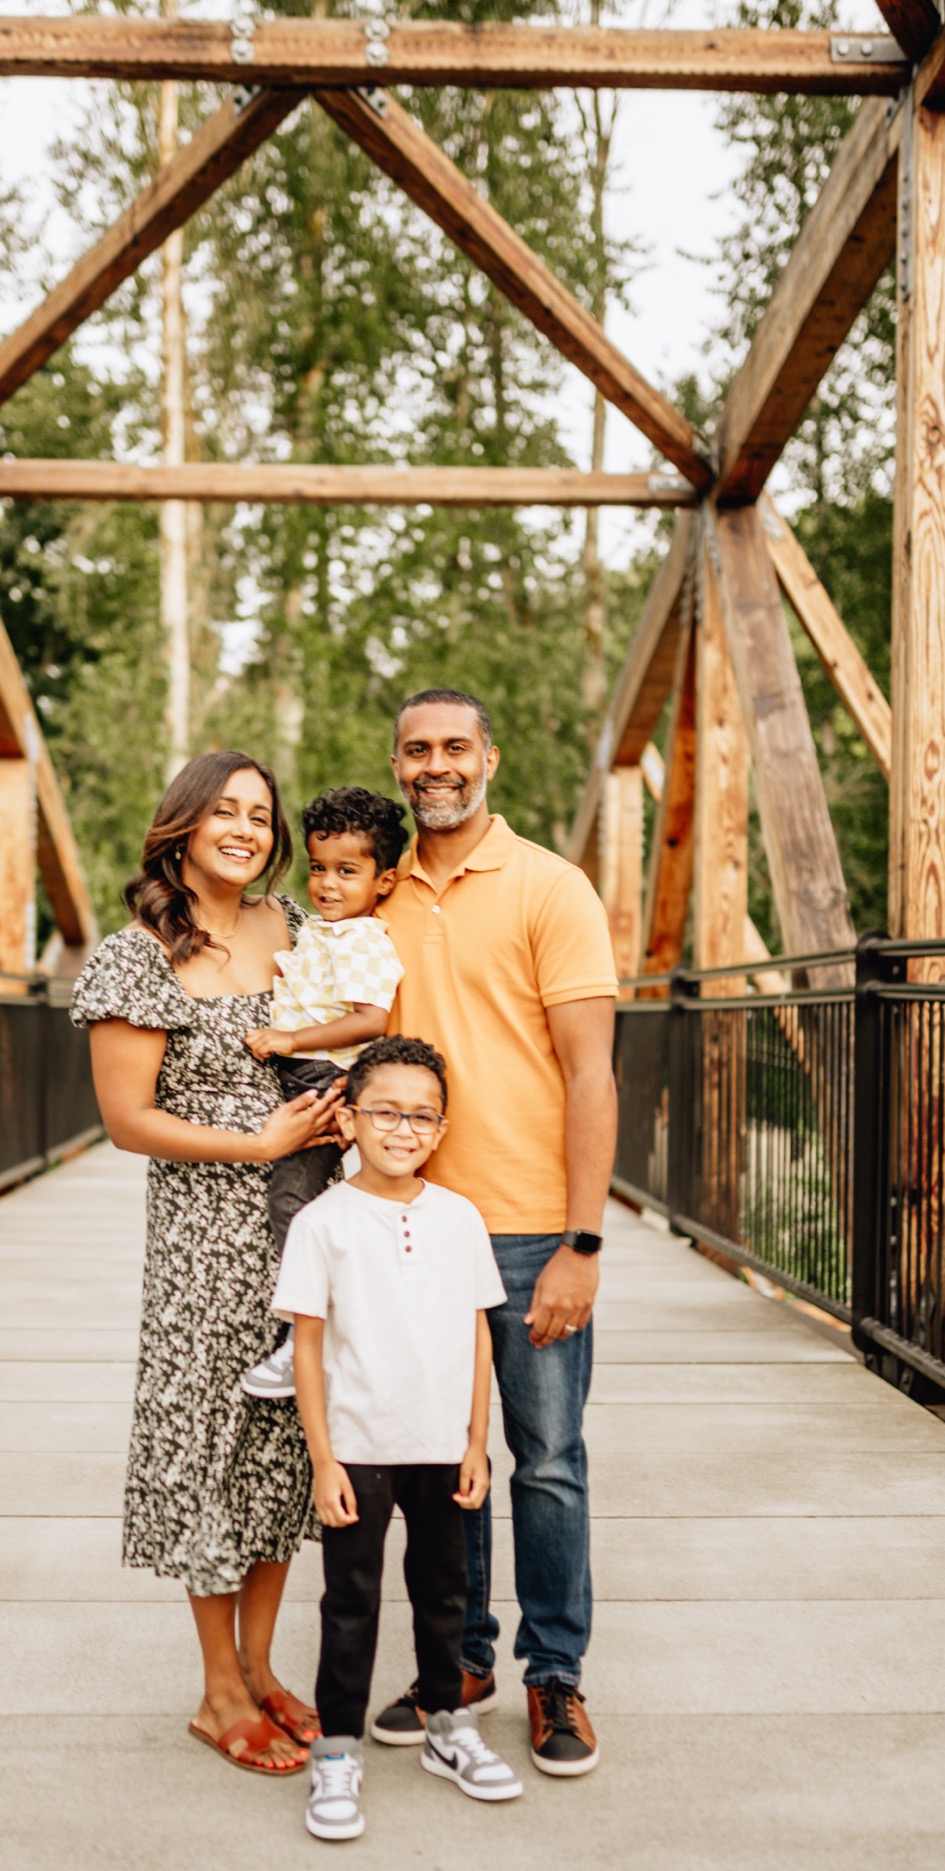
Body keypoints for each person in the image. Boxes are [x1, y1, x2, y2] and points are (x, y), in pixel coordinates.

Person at [70, 750, 343, 1776]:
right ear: (181, 826)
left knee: (282, 1444)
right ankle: (216, 1688)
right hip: (205, 1238)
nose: (245, 826)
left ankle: (264, 1665)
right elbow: (127, 1120)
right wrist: (256, 1142)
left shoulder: (299, 928)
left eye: (260, 813)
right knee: (214, 1444)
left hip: (307, 1221)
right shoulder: (138, 954)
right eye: (224, 809)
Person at [373, 688, 618, 1778]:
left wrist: (583, 1240)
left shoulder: (549, 887)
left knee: (549, 1462)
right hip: (412, 1226)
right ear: (398, 763)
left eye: (455, 746)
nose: (437, 764)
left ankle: (553, 1671)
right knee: (442, 1464)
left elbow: (591, 1073)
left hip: (526, 1231)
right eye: (418, 749)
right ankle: (458, 1660)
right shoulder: (369, 896)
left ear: (491, 756)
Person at [273, 1036, 523, 1841]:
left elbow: (480, 1334)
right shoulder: (322, 1224)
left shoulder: (459, 1218)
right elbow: (306, 1345)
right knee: (350, 1601)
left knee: (445, 1592)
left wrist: (477, 1442)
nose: (403, 1128)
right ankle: (338, 1751)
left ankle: (447, 1727)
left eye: (421, 1115)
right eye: (383, 1111)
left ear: (441, 1128)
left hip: (442, 1443)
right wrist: (322, 1459)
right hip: (357, 1445)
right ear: (348, 1118)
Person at [241, 786, 408, 1399]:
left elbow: (370, 1019)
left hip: (322, 1077)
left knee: (292, 1202)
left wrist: (289, 1039)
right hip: (310, 1074)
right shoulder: (327, 930)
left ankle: (307, 1335)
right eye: (318, 868)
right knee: (306, 1199)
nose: (328, 884)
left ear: (384, 880)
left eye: (347, 871)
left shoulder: (362, 938)